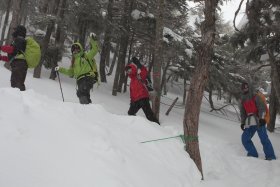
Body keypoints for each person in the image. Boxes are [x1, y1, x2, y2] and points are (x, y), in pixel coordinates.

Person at [55, 34, 99, 104]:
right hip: (80, 80)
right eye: (74, 50)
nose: (75, 51)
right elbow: (70, 72)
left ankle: (85, 106)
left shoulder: (86, 56)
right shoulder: (74, 62)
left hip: (87, 77)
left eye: (77, 49)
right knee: (84, 94)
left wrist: (93, 40)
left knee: (81, 92)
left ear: (80, 49)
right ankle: (89, 109)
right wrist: (60, 69)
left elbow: (95, 50)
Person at [239, 82, 276, 160]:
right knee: (245, 138)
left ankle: (270, 156)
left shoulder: (255, 96)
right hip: (250, 122)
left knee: (264, 139)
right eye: (244, 88)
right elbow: (243, 113)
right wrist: (242, 123)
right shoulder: (242, 99)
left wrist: (262, 118)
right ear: (242, 89)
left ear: (249, 87)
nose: (245, 89)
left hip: (259, 121)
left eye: (246, 87)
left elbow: (262, 108)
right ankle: (253, 154)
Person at [125, 57, 160, 125]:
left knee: (149, 115)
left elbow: (144, 70)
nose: (129, 72)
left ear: (133, 69)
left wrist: (138, 64)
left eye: (129, 70)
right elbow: (132, 94)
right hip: (135, 100)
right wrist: (131, 102)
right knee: (130, 113)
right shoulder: (131, 82)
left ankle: (157, 126)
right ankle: (134, 126)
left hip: (143, 98)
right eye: (127, 71)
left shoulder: (139, 76)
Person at [0, 25, 28, 91]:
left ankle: (20, 100)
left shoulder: (20, 39)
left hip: (19, 66)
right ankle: (18, 100)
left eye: (15, 30)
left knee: (17, 87)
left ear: (19, 31)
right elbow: (12, 58)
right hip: (19, 65)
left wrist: (1, 48)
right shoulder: (18, 40)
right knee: (16, 85)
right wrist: (1, 57)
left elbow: (13, 49)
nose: (14, 31)